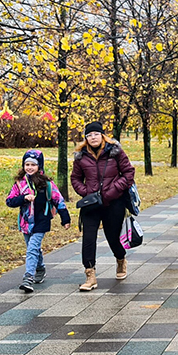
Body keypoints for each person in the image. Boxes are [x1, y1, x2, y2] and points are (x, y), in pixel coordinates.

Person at [70, 121, 135, 292]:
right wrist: (86, 192)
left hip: (114, 202)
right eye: (89, 135)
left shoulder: (115, 152)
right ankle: (90, 275)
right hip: (91, 203)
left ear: (102, 135)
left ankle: (120, 259)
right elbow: (75, 178)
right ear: (86, 138)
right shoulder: (81, 156)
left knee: (112, 237)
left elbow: (129, 173)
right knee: (88, 238)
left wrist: (113, 190)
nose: (93, 137)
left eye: (96, 134)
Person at [5, 150, 70, 293]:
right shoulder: (19, 184)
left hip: (42, 220)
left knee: (32, 248)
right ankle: (40, 268)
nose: (29, 167)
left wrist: (65, 218)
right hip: (25, 222)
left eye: (33, 165)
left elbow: (58, 200)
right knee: (32, 248)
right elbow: (9, 201)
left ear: (39, 166)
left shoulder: (46, 183)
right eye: (27, 164)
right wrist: (23, 198)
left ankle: (28, 278)